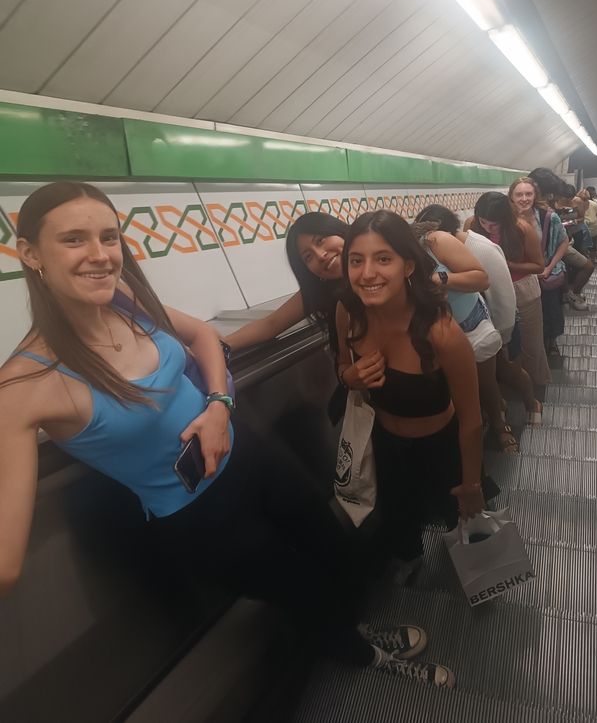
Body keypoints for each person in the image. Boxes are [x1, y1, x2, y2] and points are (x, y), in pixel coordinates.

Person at [0, 182, 454, 689]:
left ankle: (354, 626)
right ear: (30, 254)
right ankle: (362, 654)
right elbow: (6, 564)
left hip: (250, 456)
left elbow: (200, 336)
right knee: (297, 589)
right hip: (198, 513)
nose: (101, 255)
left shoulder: (124, 301)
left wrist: (218, 406)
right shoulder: (24, 385)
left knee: (331, 544)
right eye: (74, 240)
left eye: (109, 237)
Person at [336, 210, 486, 588]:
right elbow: (342, 364)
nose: (367, 273)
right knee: (400, 515)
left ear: (407, 266)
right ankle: (409, 559)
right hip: (386, 444)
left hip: (442, 447)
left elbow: (470, 420)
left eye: (382, 258)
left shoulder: (441, 334)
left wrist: (471, 486)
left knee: (466, 524)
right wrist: (350, 378)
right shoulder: (348, 314)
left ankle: (481, 578)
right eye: (357, 260)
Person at [415, 205, 541, 435]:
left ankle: (525, 408)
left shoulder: (479, 248)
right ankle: (494, 414)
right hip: (446, 329)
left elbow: (500, 292)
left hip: (478, 321)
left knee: (501, 375)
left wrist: (505, 334)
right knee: (469, 384)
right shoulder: (413, 253)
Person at [222, 211, 349, 352]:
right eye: (308, 257)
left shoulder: (376, 261)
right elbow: (271, 324)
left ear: (339, 231)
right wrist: (221, 345)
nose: (320, 255)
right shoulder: (321, 290)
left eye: (320, 240)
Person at [466, 192, 550, 404]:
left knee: (531, 343)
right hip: (489, 291)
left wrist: (503, 264)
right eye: (483, 222)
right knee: (501, 344)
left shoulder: (522, 228)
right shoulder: (471, 224)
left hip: (522, 289)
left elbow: (538, 266)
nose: (486, 228)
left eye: (493, 225)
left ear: (505, 218)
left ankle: (536, 391)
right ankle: (512, 387)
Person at [509, 179, 568, 357]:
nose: (524, 198)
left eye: (529, 194)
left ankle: (550, 341)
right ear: (511, 197)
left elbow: (563, 241)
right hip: (519, 274)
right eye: (519, 194)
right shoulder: (506, 219)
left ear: (535, 196)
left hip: (544, 271)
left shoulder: (547, 216)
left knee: (550, 308)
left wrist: (549, 267)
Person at [528, 169, 594, 309]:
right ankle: (568, 294)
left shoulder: (546, 206)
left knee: (586, 266)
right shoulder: (529, 210)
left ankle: (570, 294)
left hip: (558, 244)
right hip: (548, 251)